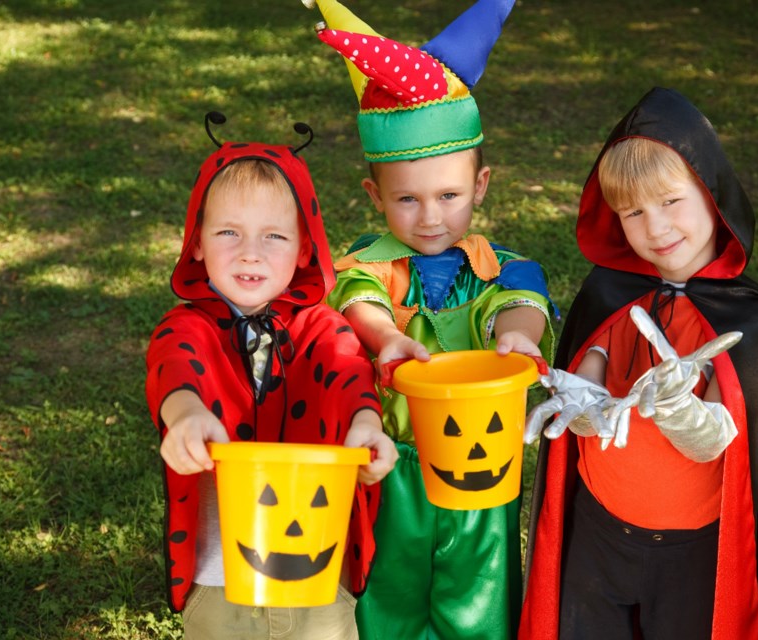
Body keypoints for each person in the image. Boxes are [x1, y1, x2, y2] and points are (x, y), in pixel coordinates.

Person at [520, 87, 758, 640]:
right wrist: (583, 407)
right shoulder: (608, 294)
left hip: (694, 550)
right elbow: (589, 370)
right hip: (598, 535)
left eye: (671, 201)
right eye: (633, 211)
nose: (655, 228)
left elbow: (720, 439)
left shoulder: (751, 325)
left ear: (713, 194)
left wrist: (683, 411)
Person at [304, 1, 557, 638]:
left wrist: (518, 338)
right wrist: (385, 335)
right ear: (374, 197)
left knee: (480, 585)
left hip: (482, 462)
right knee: (391, 581)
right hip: (395, 462)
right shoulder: (369, 262)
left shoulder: (503, 265)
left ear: (481, 186)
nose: (430, 218)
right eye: (406, 199)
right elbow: (357, 299)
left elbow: (520, 304)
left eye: (448, 195)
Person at [145, 113, 398, 640]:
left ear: (305, 248)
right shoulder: (188, 325)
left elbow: (349, 371)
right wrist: (185, 415)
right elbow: (175, 365)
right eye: (228, 232)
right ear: (196, 242)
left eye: (274, 236)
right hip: (220, 580)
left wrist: (366, 425)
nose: (250, 252)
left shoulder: (321, 326)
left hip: (318, 574)